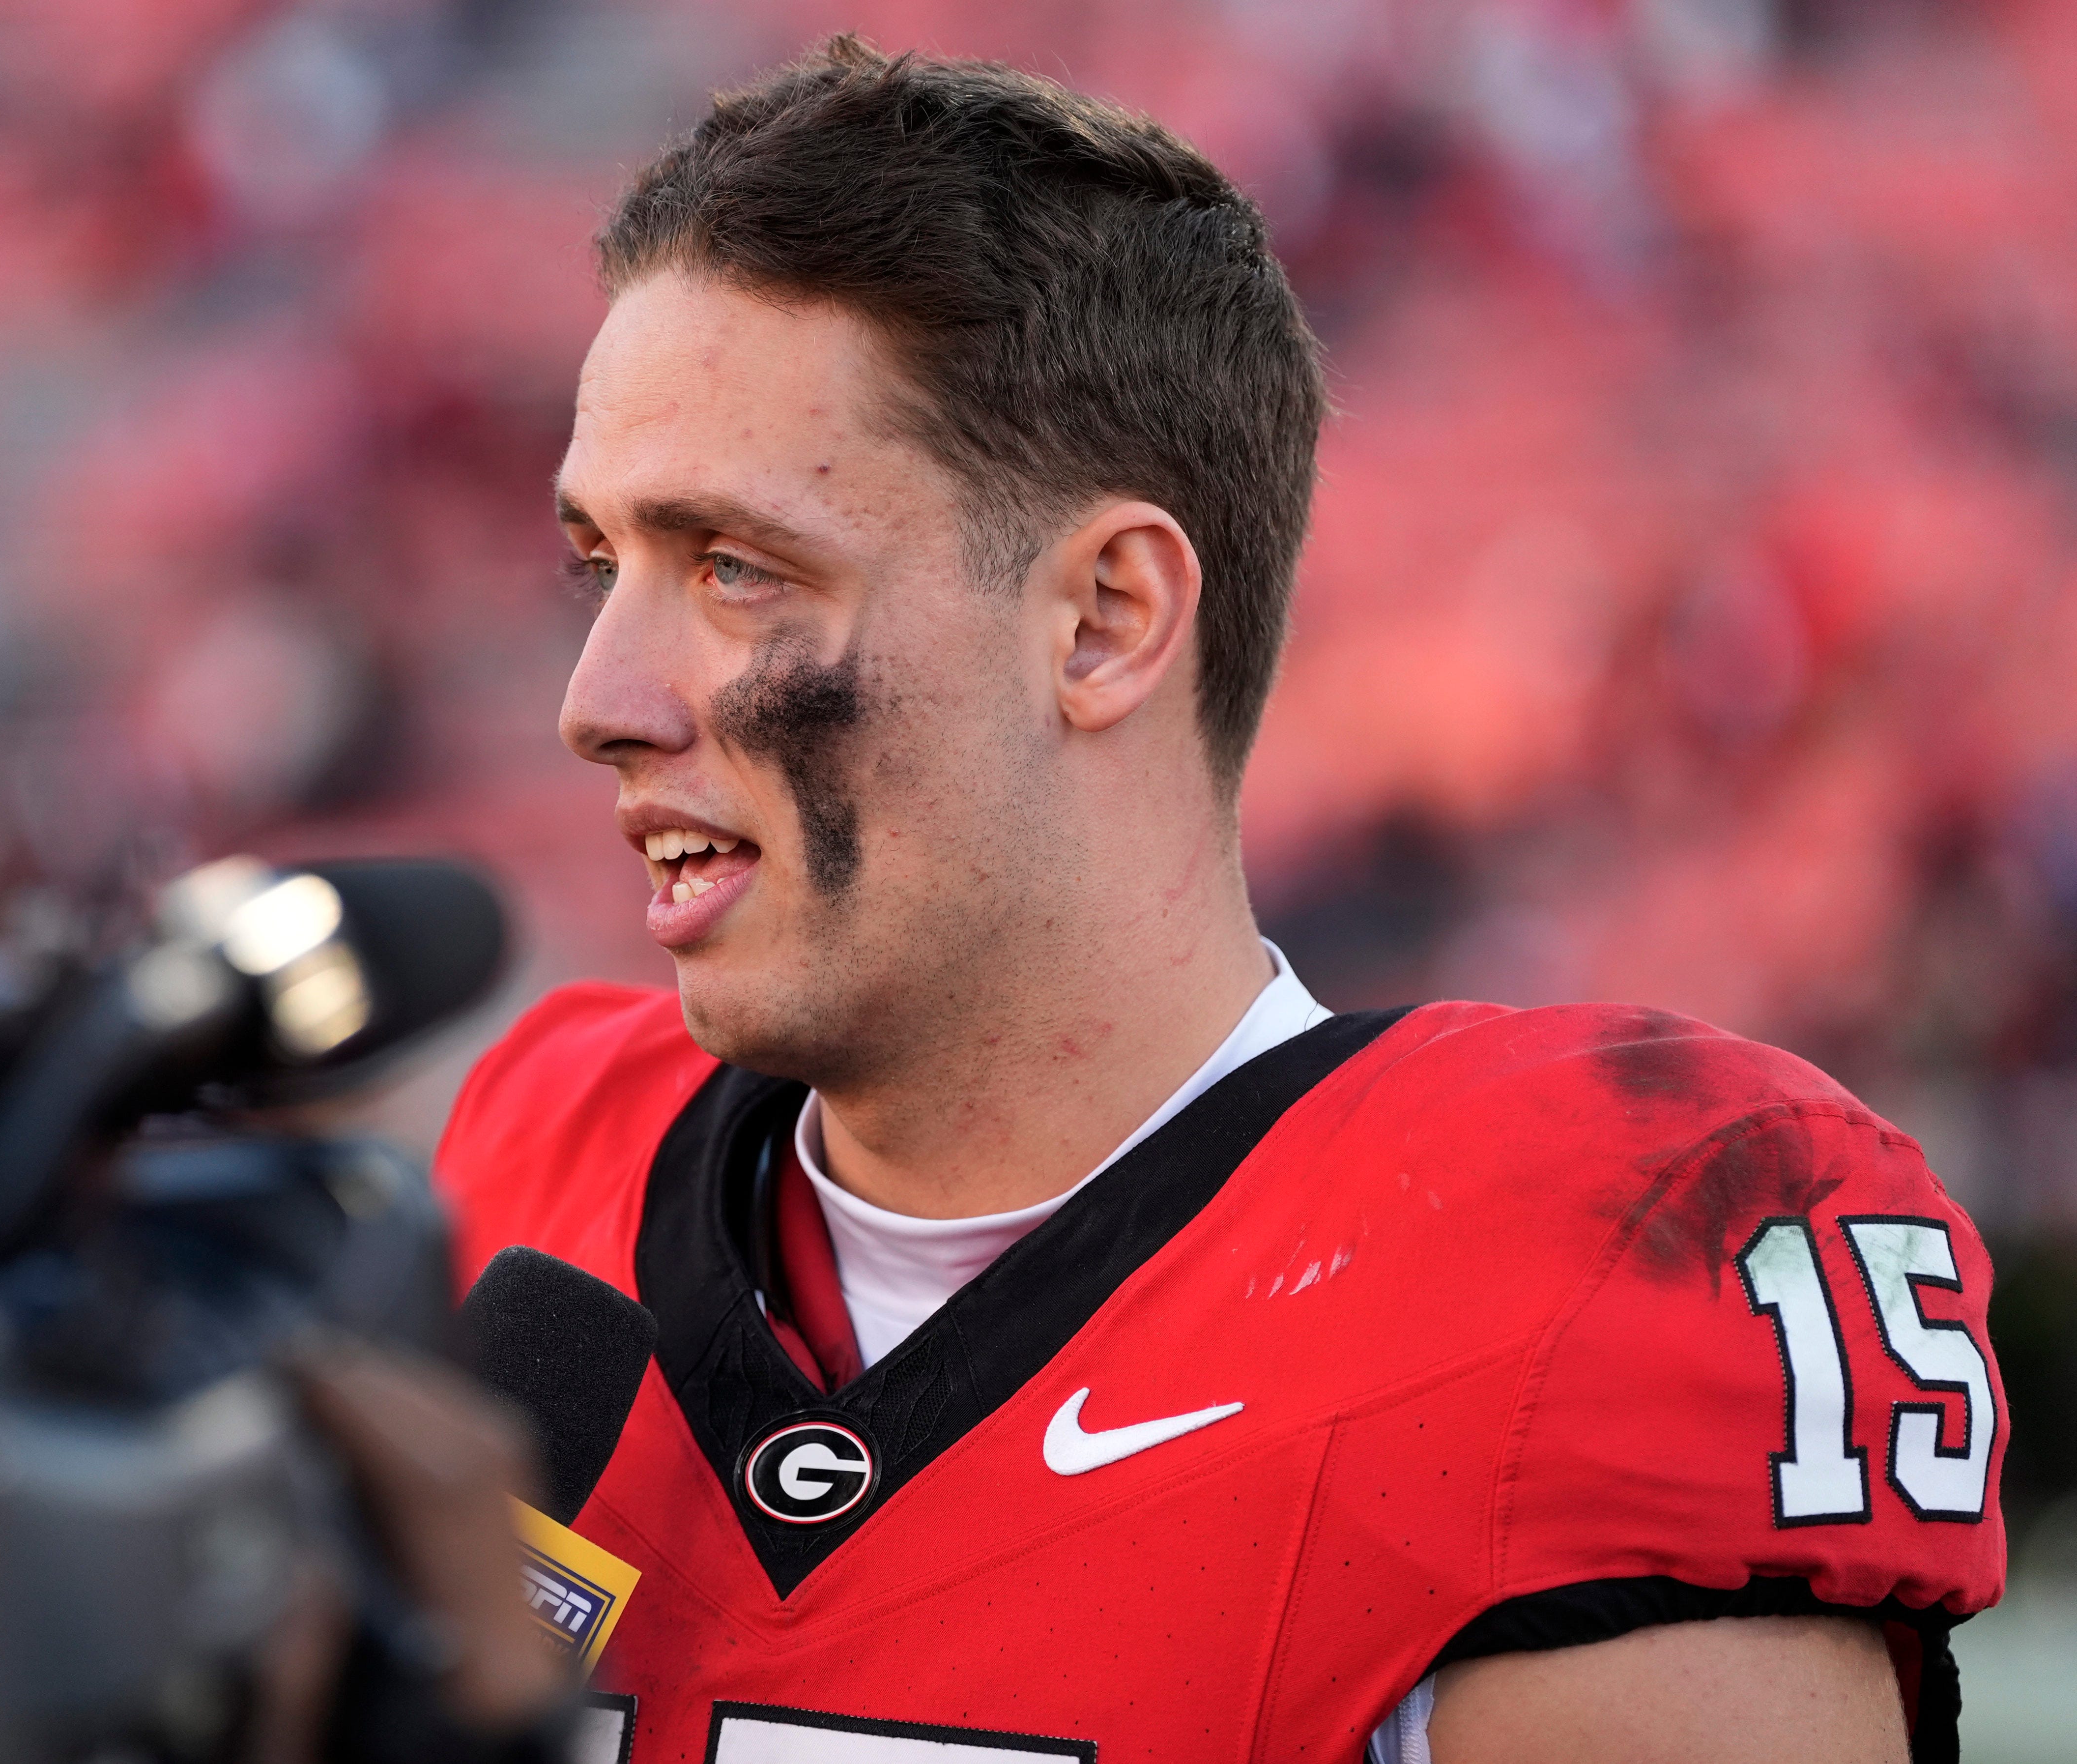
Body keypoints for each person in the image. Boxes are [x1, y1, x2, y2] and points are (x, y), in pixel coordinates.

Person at [433, 36, 2006, 1764]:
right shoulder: (535, 1174)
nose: (599, 697)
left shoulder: (1569, 1286)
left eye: (735, 567)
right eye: (602, 564)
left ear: (1106, 618)